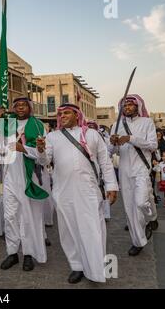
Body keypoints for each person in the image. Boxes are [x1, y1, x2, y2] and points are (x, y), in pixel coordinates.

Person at [34, 104, 118, 284]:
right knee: (68, 230)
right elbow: (44, 161)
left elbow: (105, 162)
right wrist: (40, 149)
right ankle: (77, 265)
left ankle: (96, 269)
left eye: (66, 113)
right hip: (62, 191)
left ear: (76, 114)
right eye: (60, 113)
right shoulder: (52, 137)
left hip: (88, 190)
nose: (62, 116)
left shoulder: (91, 134)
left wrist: (111, 185)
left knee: (93, 229)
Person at [0, 98, 49, 272]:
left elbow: (43, 158)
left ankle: (28, 254)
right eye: (17, 106)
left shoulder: (38, 126)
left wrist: (26, 149)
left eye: (24, 105)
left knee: (27, 218)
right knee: (10, 216)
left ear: (30, 107)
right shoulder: (7, 124)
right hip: (9, 177)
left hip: (28, 177)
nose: (20, 108)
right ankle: (12, 253)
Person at [110, 94, 158, 257]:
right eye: (124, 105)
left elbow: (152, 145)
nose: (127, 107)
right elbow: (112, 152)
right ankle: (138, 241)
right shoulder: (116, 125)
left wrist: (130, 138)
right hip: (124, 170)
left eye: (131, 104)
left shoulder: (147, 122)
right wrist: (113, 143)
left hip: (141, 169)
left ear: (138, 106)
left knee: (141, 202)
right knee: (130, 208)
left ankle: (151, 218)